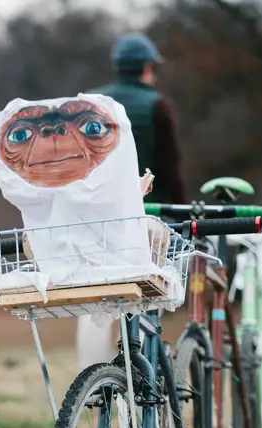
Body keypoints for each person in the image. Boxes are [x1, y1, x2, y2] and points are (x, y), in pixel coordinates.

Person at [77, 32, 186, 370]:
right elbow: (169, 169)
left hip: (99, 216)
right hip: (148, 216)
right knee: (147, 288)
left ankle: (92, 374)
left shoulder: (92, 105)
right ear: (147, 68)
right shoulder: (158, 106)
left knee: (95, 292)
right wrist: (183, 211)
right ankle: (145, 367)